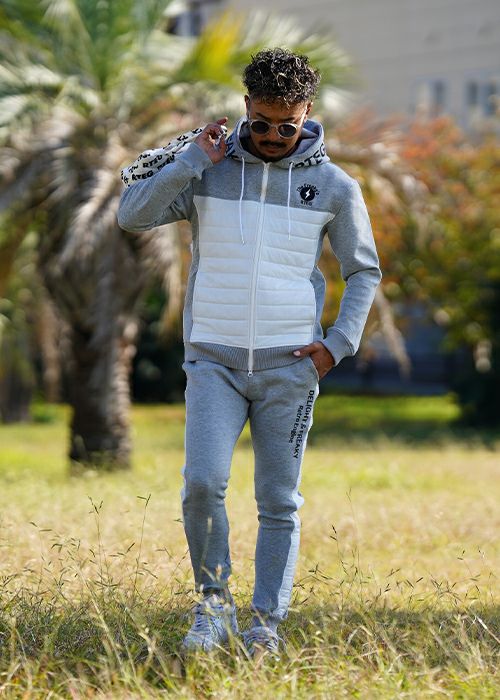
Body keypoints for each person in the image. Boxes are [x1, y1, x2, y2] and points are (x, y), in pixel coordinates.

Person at [117, 47, 382, 658]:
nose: (271, 137)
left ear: (307, 113)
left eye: (286, 127)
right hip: (214, 361)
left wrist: (337, 345)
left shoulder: (334, 187)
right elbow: (133, 215)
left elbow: (363, 271)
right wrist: (189, 160)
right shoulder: (207, 169)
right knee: (202, 484)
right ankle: (213, 607)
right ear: (245, 108)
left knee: (278, 501)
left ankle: (265, 624)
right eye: (261, 123)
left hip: (292, 368)